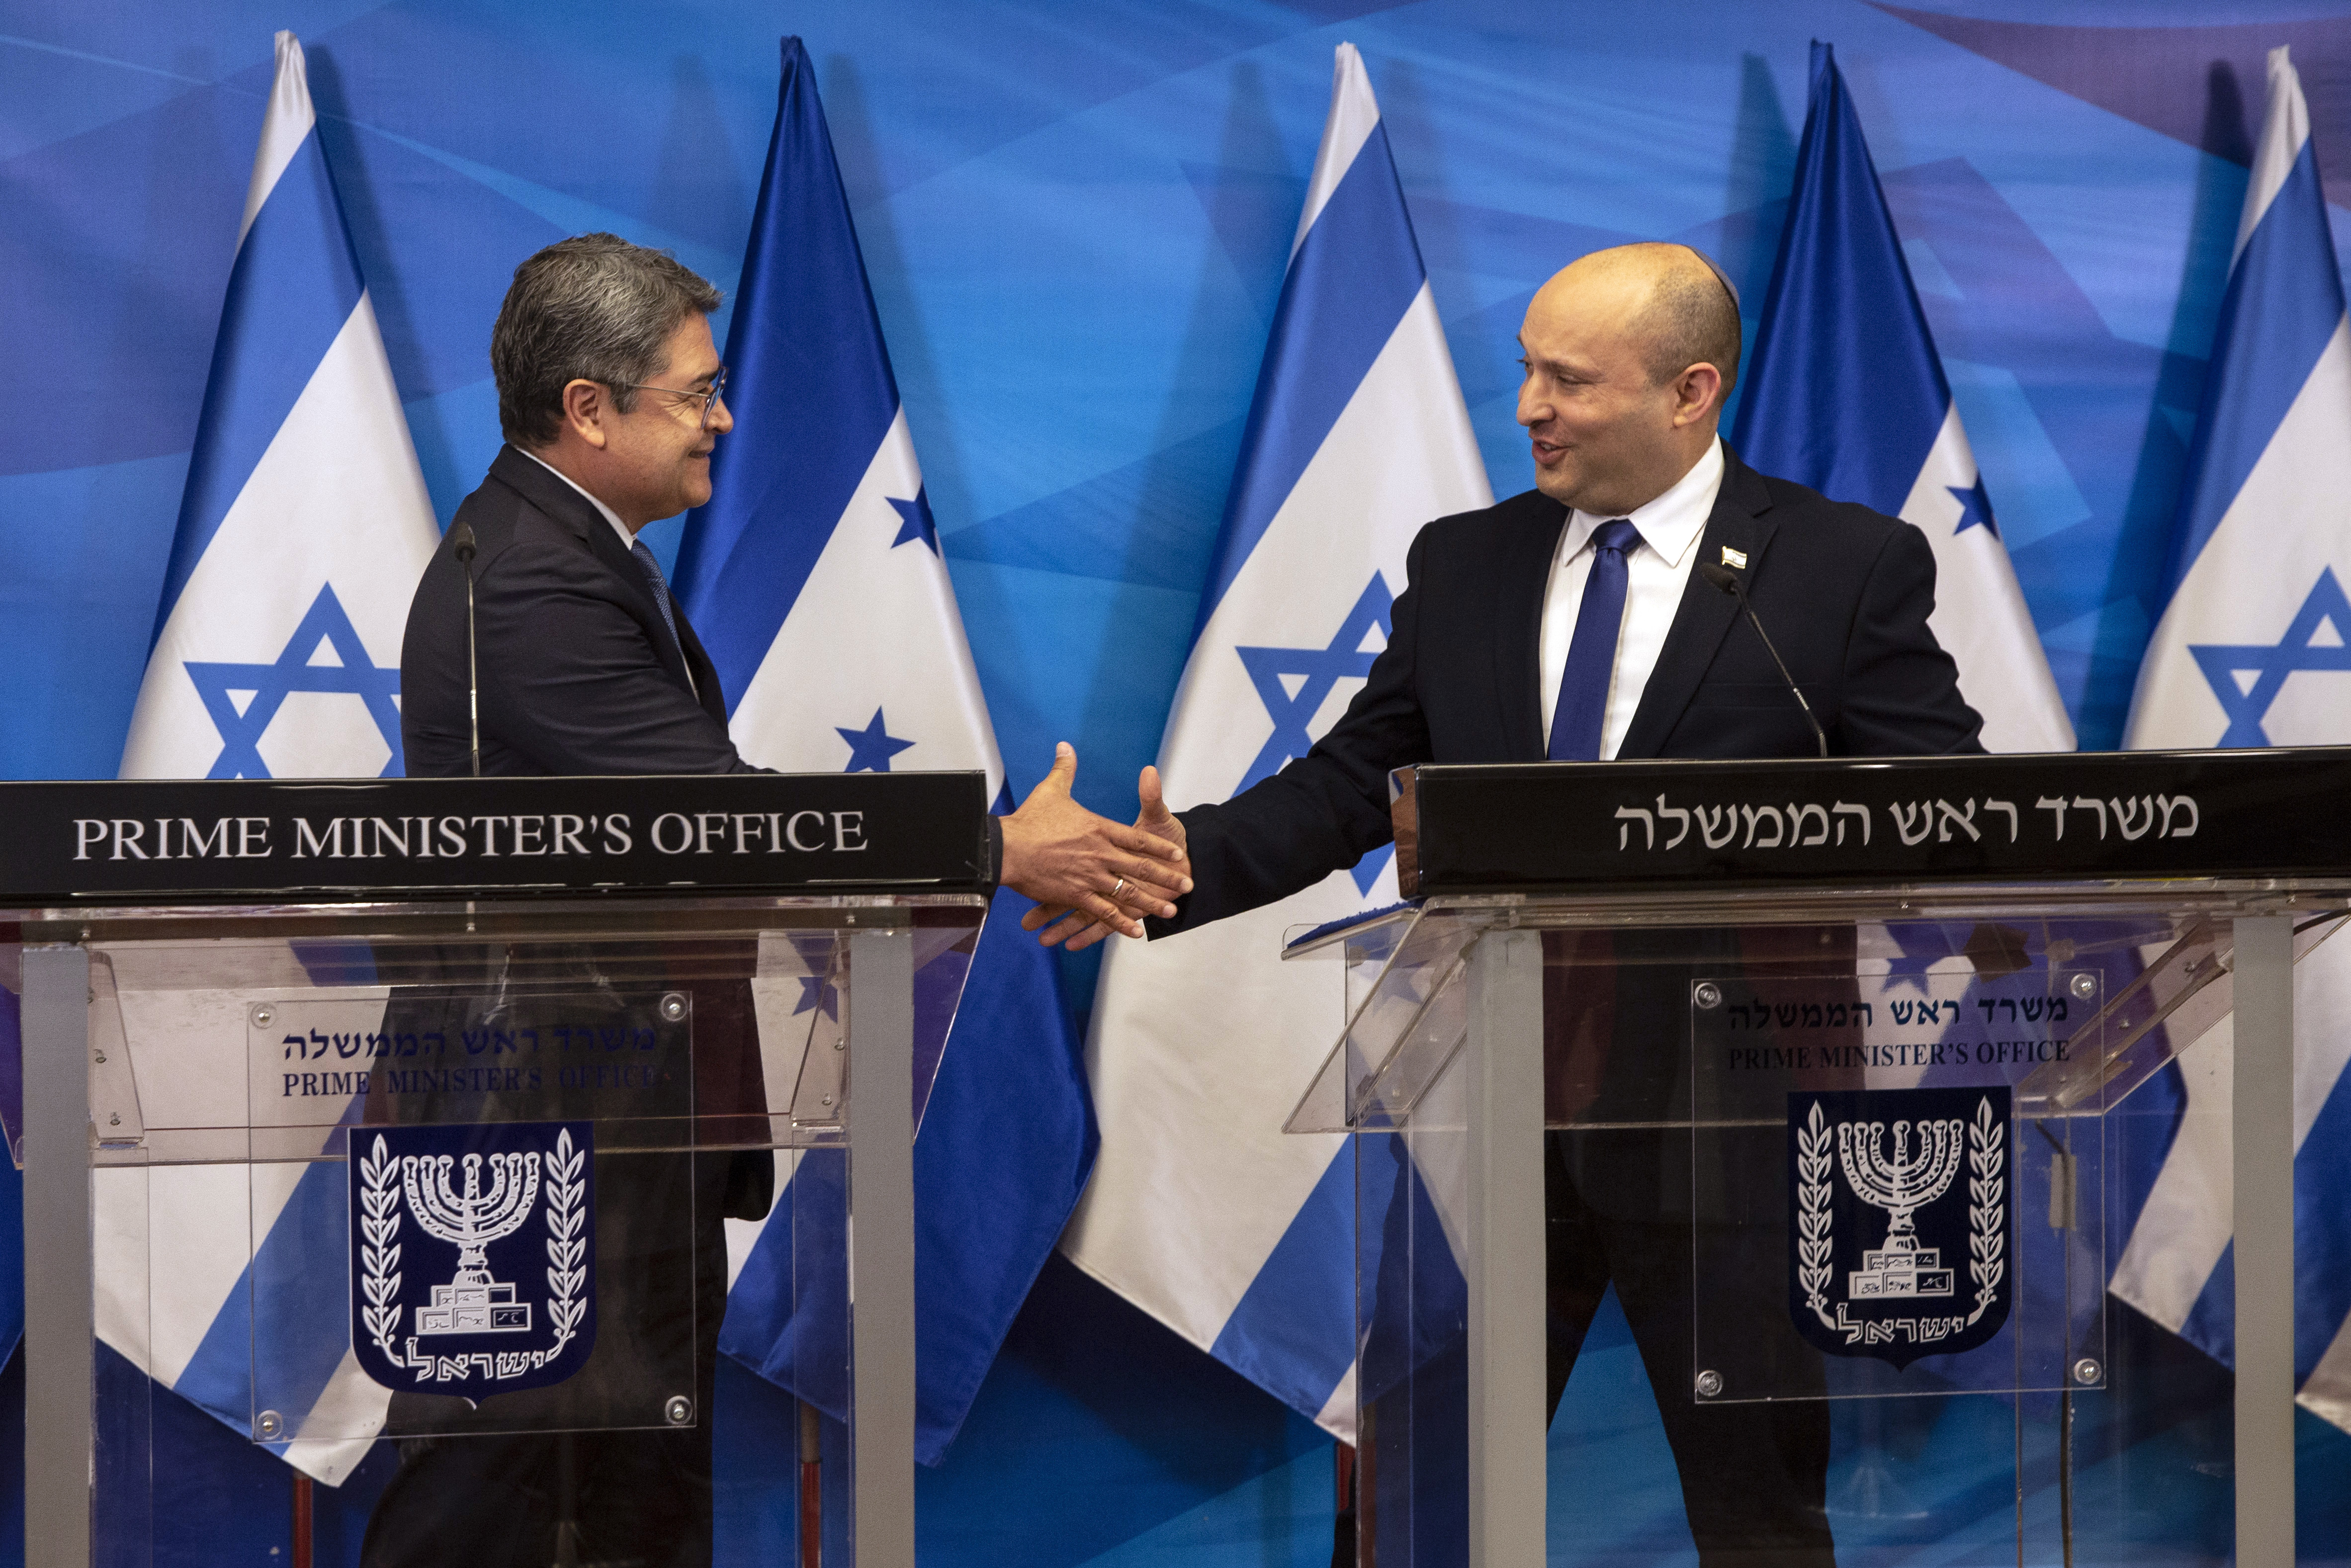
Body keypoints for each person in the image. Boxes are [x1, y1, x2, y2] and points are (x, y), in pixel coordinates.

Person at [1030, 242, 1985, 1567]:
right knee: (1426, 1502)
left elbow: (1944, 810)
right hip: (1476, 1114)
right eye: (1523, 369)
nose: (1527, 405)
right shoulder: (1468, 560)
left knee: (1755, 1513)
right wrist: (1167, 862)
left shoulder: (1839, 568)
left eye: (1566, 378)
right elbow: (1355, 780)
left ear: (1690, 390)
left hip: (1726, 1115)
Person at [382, 233, 1187, 1567]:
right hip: (542, 1124)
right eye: (695, 391)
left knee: (620, 1507)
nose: (724, 416)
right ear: (589, 407)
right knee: (497, 1509)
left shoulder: (570, 551)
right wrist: (991, 853)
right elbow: (720, 821)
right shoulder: (532, 580)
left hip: (611, 1119)